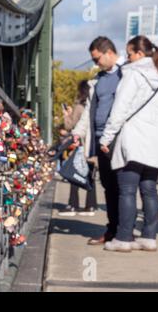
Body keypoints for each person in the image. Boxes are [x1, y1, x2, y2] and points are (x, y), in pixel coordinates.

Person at [100, 36, 158, 252]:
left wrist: (107, 137)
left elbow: (120, 109)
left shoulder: (134, 74)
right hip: (155, 143)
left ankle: (124, 238)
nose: (126, 58)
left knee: (126, 189)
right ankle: (149, 237)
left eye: (128, 54)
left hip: (134, 139)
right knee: (149, 189)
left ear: (139, 54)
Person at [72, 36, 125, 245]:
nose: (95, 63)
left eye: (97, 59)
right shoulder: (99, 79)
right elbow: (88, 112)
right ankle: (112, 230)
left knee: (124, 187)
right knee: (108, 186)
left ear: (109, 52)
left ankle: (124, 232)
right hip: (99, 139)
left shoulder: (126, 74)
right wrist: (77, 133)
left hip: (119, 139)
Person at [59, 81, 98, 217]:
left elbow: (70, 126)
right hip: (92, 146)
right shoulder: (94, 105)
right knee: (90, 176)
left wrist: (66, 114)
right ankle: (91, 205)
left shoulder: (79, 106)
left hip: (80, 146)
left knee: (74, 174)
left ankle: (73, 205)